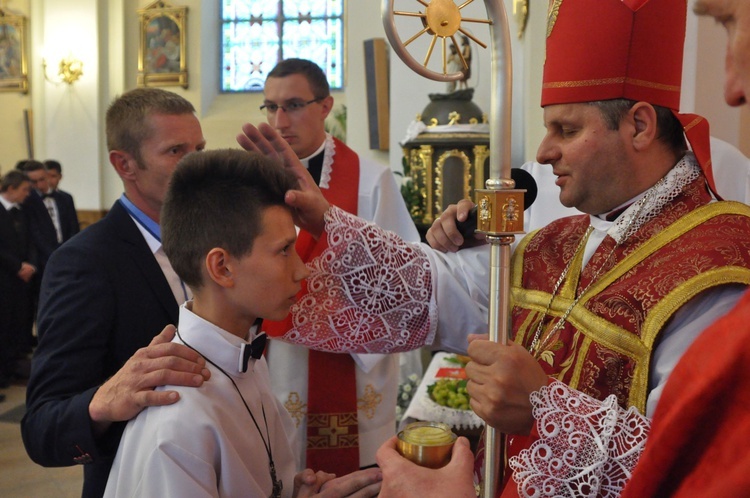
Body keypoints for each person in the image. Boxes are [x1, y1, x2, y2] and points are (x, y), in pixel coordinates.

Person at [240, 0, 750, 495]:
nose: (544, 153)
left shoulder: (715, 266)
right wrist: (326, 221)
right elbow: (436, 295)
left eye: (566, 130)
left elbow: (699, 461)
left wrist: (543, 410)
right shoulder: (559, 241)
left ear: (639, 126)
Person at [104, 148, 382, 498]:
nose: (302, 269)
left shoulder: (245, 359)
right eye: (284, 250)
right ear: (222, 268)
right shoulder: (178, 423)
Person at [22, 88, 211, 498]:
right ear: (125, 164)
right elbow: (42, 427)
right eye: (177, 151)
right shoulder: (85, 262)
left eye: (200, 148)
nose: (197, 164)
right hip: (135, 481)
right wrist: (103, 402)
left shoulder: (216, 240)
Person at [259, 58, 420, 475]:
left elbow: (405, 272)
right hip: (280, 353)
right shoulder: (253, 182)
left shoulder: (371, 180)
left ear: (326, 106)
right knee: (281, 461)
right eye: (270, 107)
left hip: (354, 355)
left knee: (356, 478)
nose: (280, 120)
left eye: (293, 104)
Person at [0, 170, 36, 395]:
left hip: (19, 280)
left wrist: (30, 264)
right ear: (11, 189)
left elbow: (29, 240)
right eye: (24, 189)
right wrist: (17, 266)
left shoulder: (21, 212)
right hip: (5, 276)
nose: (27, 194)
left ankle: (11, 367)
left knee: (15, 324)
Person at [44, 159, 80, 242]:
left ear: (60, 177)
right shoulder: (35, 198)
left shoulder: (66, 198)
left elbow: (73, 225)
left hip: (63, 245)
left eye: (53, 176)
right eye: (46, 177)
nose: (49, 180)